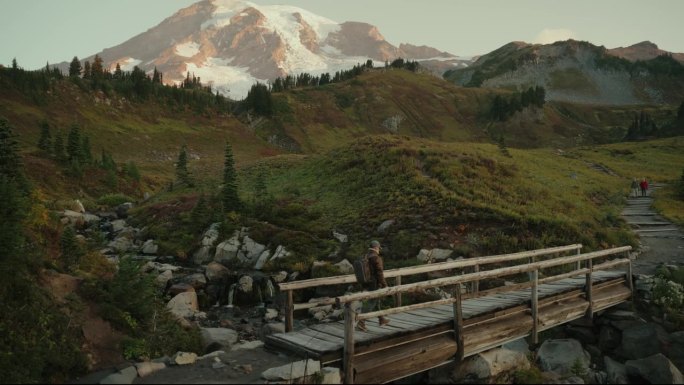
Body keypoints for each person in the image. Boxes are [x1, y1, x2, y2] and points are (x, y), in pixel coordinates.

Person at [356, 240, 390, 331]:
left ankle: (381, 319)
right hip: (374, 284)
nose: (379, 250)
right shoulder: (376, 258)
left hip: (366, 283)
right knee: (371, 303)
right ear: (376, 248)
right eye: (379, 248)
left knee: (376, 301)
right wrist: (385, 285)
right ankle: (361, 322)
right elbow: (380, 273)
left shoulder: (366, 256)